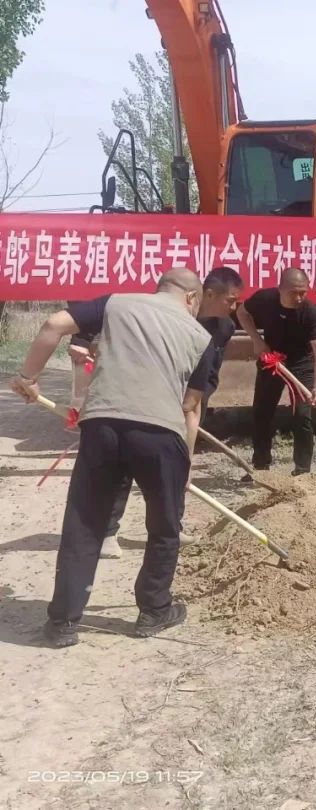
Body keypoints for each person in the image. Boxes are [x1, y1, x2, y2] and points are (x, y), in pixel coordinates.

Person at [10, 269, 214, 647]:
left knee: (85, 522)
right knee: (164, 525)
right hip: (161, 434)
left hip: (103, 425)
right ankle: (154, 611)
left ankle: (63, 623)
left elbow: (54, 323)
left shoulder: (117, 303)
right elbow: (190, 407)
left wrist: (29, 377)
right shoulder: (201, 337)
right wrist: (183, 463)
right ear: (191, 298)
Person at [67, 266, 245, 559]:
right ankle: (108, 532)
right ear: (207, 294)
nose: (234, 307)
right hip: (145, 398)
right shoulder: (163, 311)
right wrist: (82, 341)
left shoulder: (223, 328)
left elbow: (209, 373)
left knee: (177, 468)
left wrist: (192, 403)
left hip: (184, 404)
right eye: (230, 300)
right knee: (124, 463)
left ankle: (173, 525)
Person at [236, 268, 316, 476]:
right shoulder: (265, 299)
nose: (299, 297)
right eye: (293, 292)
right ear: (280, 290)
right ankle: (261, 467)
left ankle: (302, 471)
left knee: (303, 416)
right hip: (272, 359)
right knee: (262, 412)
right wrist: (257, 341)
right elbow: (242, 312)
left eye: (303, 292)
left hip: (300, 364)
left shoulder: (310, 312)